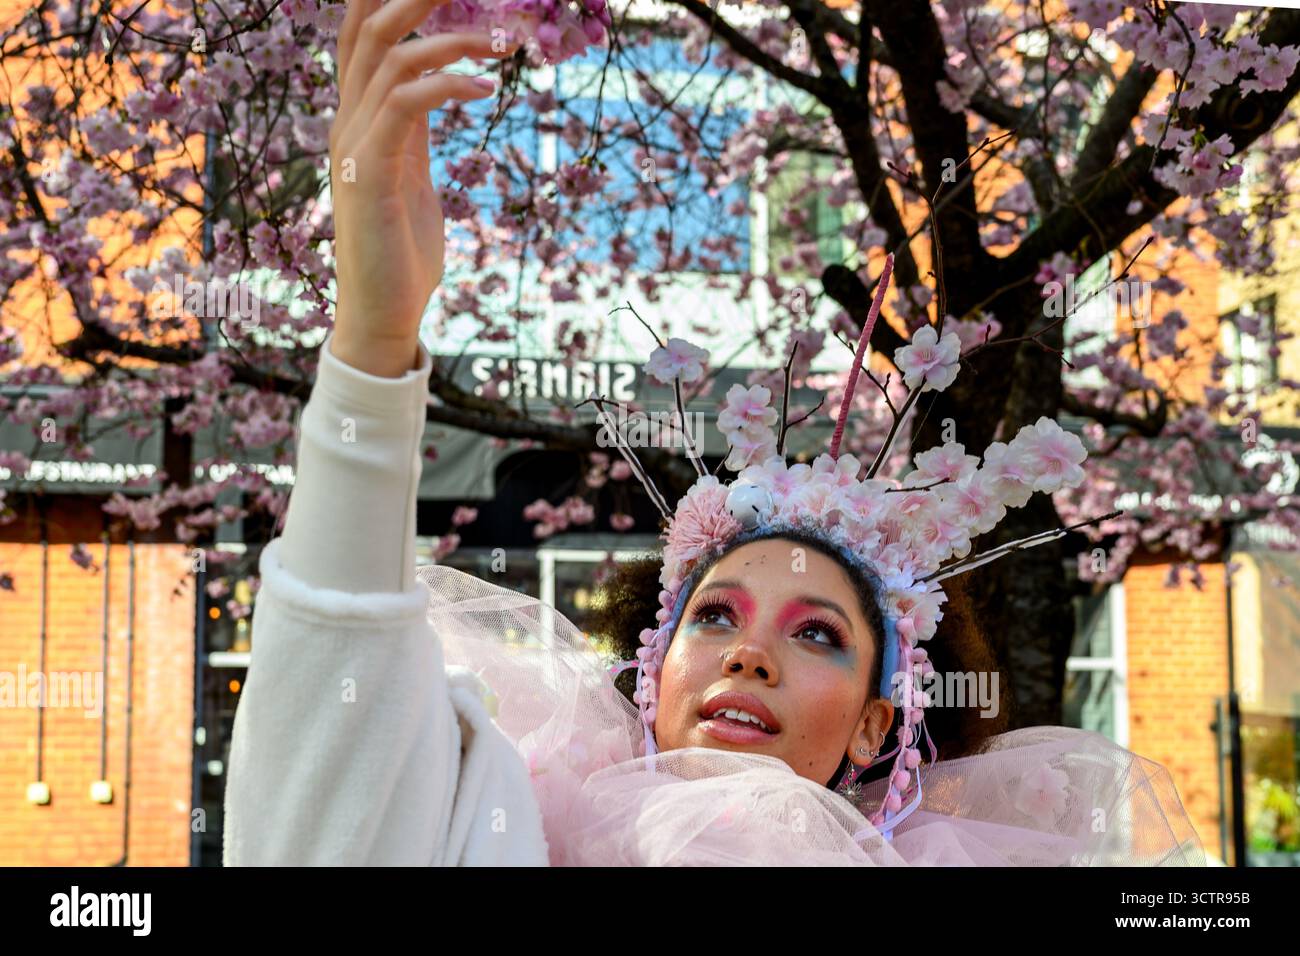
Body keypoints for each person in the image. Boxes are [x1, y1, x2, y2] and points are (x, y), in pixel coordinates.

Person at [221, 0, 1206, 866]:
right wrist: (374, 337)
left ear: (875, 724)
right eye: (715, 615)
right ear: (651, 672)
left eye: (817, 631)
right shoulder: (500, 819)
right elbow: (318, 805)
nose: (749, 656)